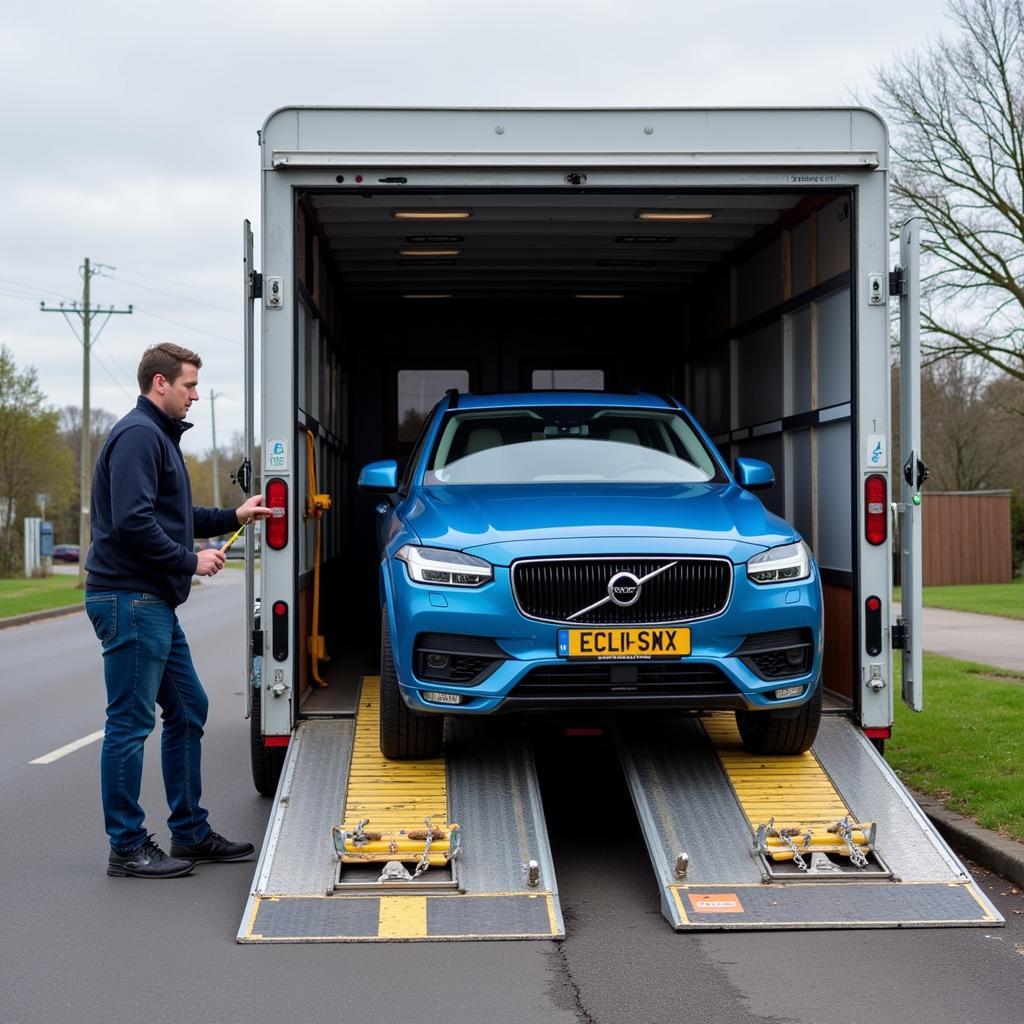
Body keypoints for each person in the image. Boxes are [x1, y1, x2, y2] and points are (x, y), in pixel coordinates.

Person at [84, 342, 273, 878]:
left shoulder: (157, 438)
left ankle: (189, 832)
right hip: (130, 598)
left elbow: (172, 512)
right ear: (160, 383)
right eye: (188, 385)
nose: (194, 395)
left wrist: (231, 514)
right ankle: (127, 846)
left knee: (189, 707)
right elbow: (133, 523)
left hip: (150, 601)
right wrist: (191, 561)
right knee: (129, 722)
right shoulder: (139, 436)